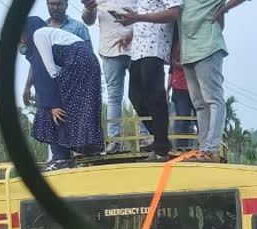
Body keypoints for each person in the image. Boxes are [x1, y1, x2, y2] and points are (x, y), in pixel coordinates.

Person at [22, 17, 104, 171]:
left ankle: (61, 158)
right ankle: (87, 146)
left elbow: (48, 72)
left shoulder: (38, 35)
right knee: (79, 108)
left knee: (48, 108)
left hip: (78, 63)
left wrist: (52, 104)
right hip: (88, 63)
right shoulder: (50, 33)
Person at [81, 0, 152, 154]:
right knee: (114, 96)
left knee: (142, 94)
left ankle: (145, 137)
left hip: (138, 46)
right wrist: (89, 8)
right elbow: (88, 20)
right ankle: (115, 141)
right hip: (110, 49)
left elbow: (149, 11)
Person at [116, 0, 183, 162]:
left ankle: (161, 150)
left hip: (155, 48)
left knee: (155, 98)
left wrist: (137, 17)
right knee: (135, 96)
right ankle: (162, 140)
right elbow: (142, 19)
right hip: (138, 49)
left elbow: (174, 12)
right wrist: (130, 33)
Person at [178, 0, 234, 163]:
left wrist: (224, 9)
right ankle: (204, 149)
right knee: (199, 104)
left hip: (208, 47)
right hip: (188, 51)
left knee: (213, 99)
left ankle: (211, 149)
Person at [167, 30, 195, 149]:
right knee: (182, 119)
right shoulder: (174, 45)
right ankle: (181, 148)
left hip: (195, 86)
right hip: (179, 88)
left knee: (199, 118)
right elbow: (171, 70)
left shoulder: (194, 42)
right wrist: (167, 90)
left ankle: (203, 147)